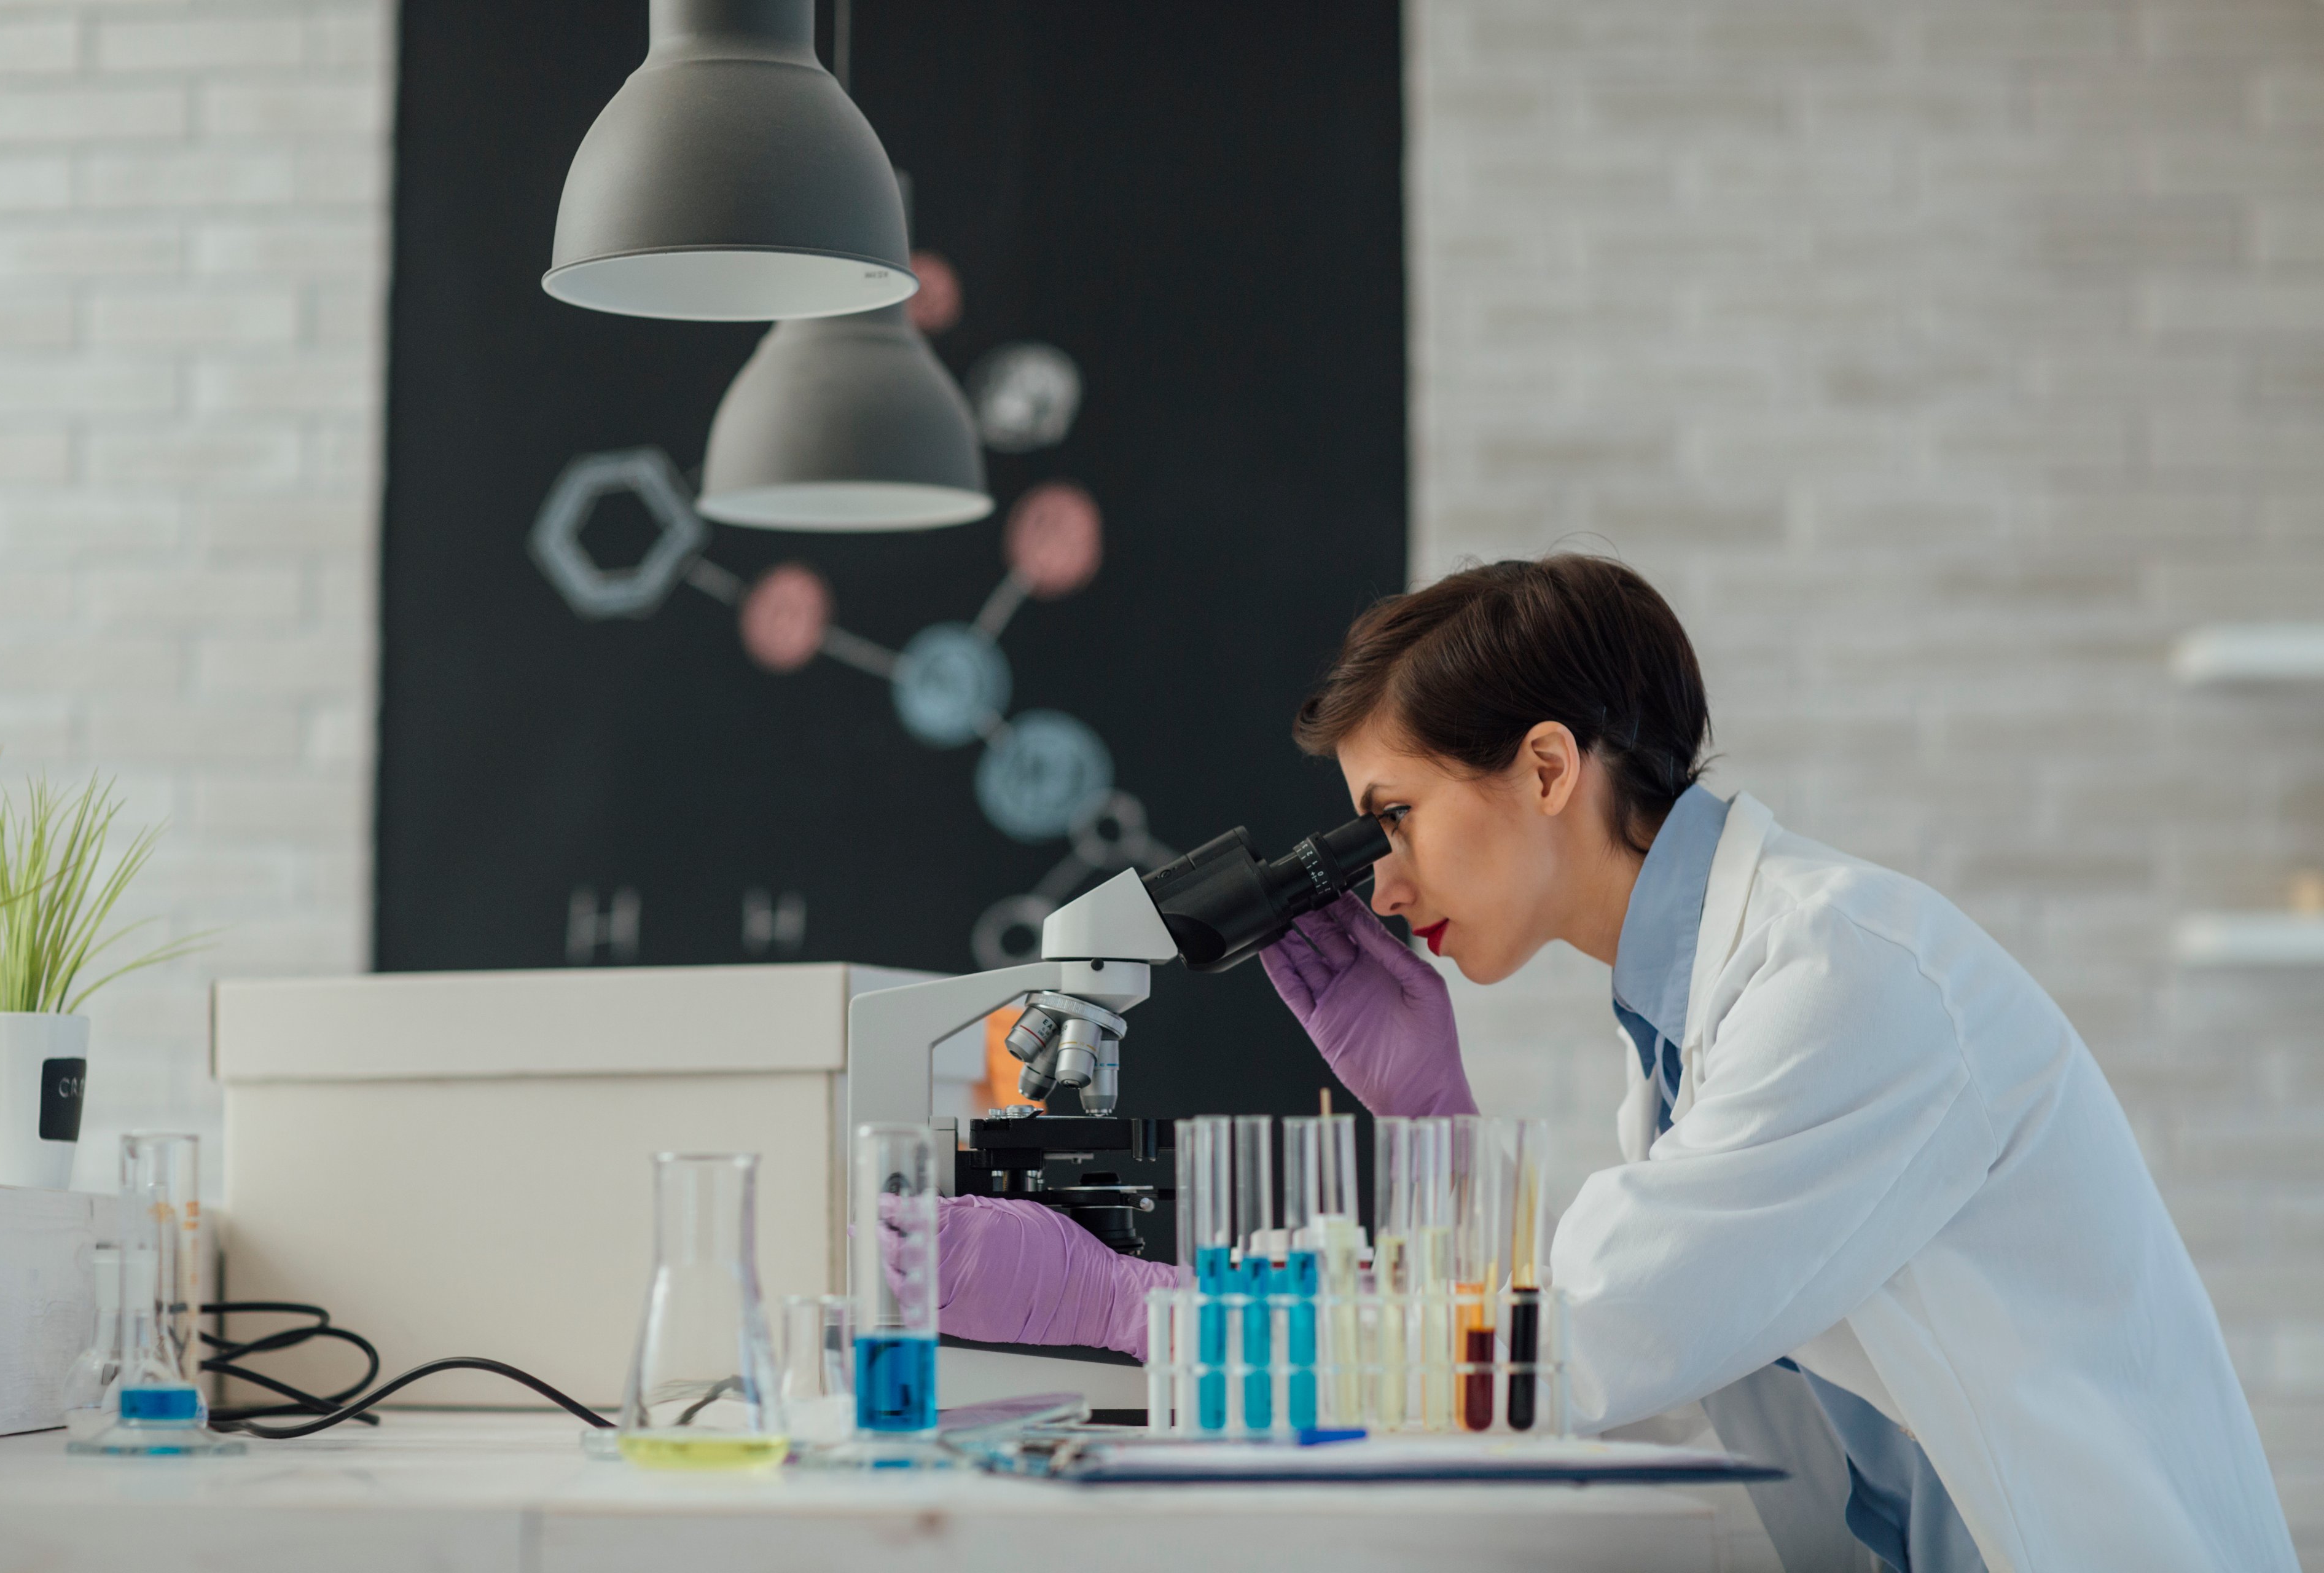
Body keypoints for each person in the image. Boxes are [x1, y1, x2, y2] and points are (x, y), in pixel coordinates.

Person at [921, 555, 2295, 1573]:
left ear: (1544, 766)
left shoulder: (1841, 980)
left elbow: (1557, 1350)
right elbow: (1637, 1352)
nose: (1380, 888)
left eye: (1391, 819)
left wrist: (1116, 1300)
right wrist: (1435, 1130)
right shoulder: (1685, 1027)